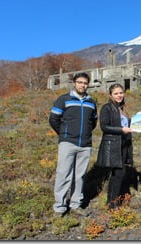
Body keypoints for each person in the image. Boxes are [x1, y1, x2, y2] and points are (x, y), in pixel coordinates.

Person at [49, 72, 98, 217]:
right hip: (67, 143)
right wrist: (64, 134)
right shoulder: (63, 99)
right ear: (74, 83)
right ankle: (60, 207)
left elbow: (93, 122)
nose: (82, 85)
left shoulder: (91, 102)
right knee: (63, 174)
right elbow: (53, 119)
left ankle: (76, 204)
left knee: (80, 176)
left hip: (85, 144)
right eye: (80, 82)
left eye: (85, 83)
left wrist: (86, 134)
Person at [95, 83, 133, 209]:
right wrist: (121, 129)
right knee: (118, 174)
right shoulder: (107, 108)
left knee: (119, 174)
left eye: (121, 93)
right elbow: (104, 126)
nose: (119, 95)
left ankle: (112, 201)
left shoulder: (123, 108)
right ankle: (112, 203)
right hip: (113, 145)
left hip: (123, 145)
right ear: (110, 95)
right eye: (116, 93)